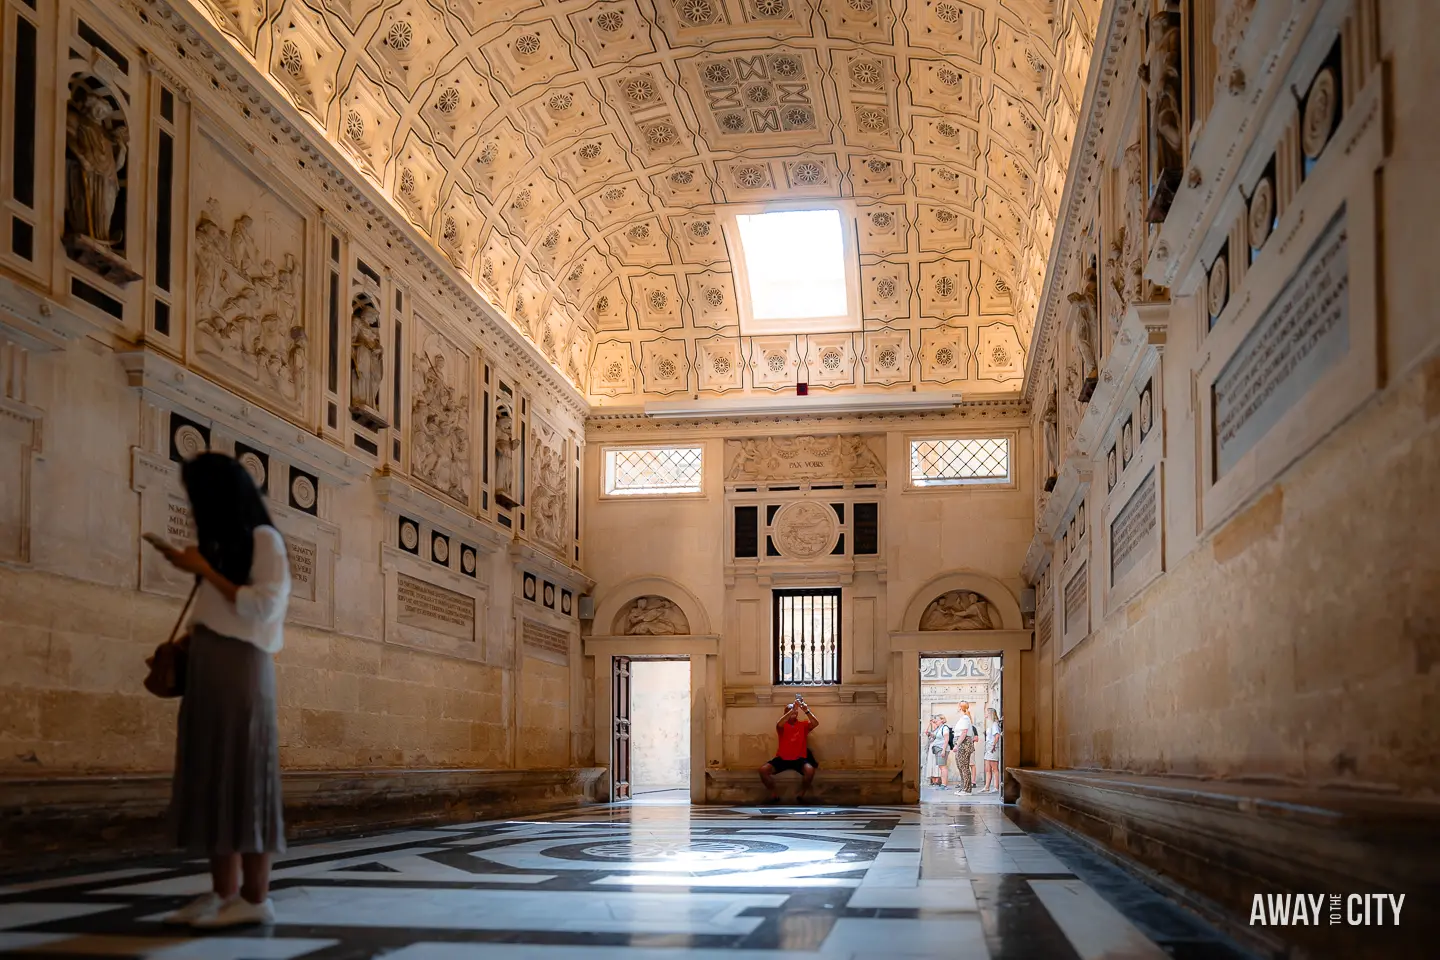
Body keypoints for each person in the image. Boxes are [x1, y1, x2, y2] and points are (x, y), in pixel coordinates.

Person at [146, 453, 291, 928]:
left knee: (244, 779)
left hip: (239, 669)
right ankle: (223, 893)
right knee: (212, 777)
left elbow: (266, 607)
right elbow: (220, 608)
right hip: (210, 664)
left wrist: (204, 570)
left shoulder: (264, 540)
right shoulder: (224, 545)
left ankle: (255, 898)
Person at [759, 697, 819, 803]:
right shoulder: (782, 726)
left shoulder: (802, 725)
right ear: (785, 713)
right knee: (763, 770)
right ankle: (774, 795)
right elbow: (779, 723)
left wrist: (806, 710)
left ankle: (801, 794)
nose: (794, 713)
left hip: (799, 758)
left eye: (795, 712)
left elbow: (815, 723)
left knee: (810, 770)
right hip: (782, 758)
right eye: (791, 712)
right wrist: (792, 708)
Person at [953, 702, 977, 795]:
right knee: (960, 766)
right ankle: (963, 787)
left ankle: (967, 789)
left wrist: (957, 745)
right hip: (961, 744)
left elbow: (964, 733)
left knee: (964, 767)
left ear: (960, 707)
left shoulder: (965, 718)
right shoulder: (962, 718)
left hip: (964, 744)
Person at [982, 708, 1003, 794]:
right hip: (988, 747)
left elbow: (997, 736)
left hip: (992, 747)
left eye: (986, 712)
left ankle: (996, 787)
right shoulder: (990, 724)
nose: (985, 714)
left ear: (990, 713)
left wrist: (993, 745)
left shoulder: (994, 724)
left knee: (994, 768)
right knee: (987, 768)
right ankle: (986, 787)